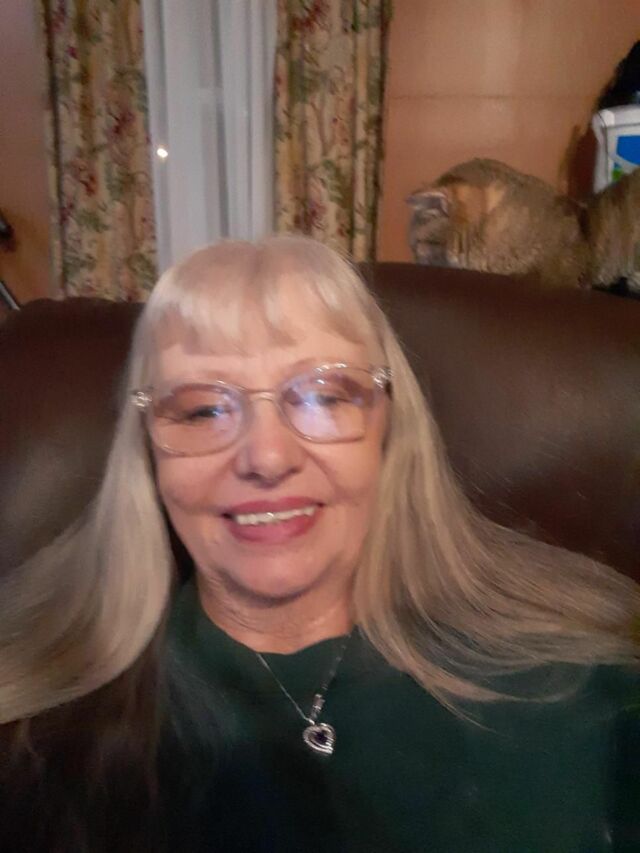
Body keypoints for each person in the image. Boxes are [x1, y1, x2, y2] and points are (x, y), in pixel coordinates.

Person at [1, 235, 639, 853]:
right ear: (146, 451)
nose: (267, 457)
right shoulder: (41, 743)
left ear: (390, 430)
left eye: (323, 397)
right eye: (202, 410)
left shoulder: (587, 693)